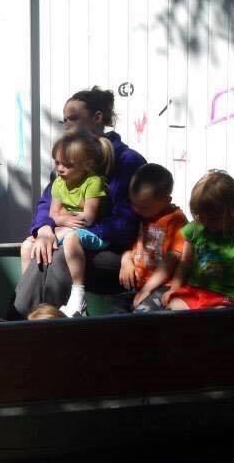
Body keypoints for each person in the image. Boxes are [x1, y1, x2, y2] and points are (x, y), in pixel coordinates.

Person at [13, 87, 146, 318]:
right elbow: (47, 203)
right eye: (64, 120)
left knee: (59, 255)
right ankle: (31, 319)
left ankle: (28, 322)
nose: (67, 125)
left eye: (73, 118)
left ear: (97, 118)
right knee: (40, 248)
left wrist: (74, 230)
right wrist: (45, 228)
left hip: (113, 253)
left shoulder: (127, 162)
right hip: (70, 241)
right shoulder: (67, 161)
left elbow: (127, 223)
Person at [22, 131, 113, 316]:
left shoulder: (93, 182)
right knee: (27, 245)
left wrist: (61, 218)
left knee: (71, 239)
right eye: (57, 163)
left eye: (68, 165)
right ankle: (26, 291)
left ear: (86, 165)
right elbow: (53, 214)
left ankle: (78, 294)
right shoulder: (58, 183)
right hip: (67, 228)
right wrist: (62, 218)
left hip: (94, 233)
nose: (60, 169)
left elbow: (87, 218)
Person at [161, 170, 234, 310]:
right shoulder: (196, 230)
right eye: (200, 216)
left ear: (233, 211)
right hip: (195, 293)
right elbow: (185, 264)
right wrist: (174, 289)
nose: (205, 222)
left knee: (217, 316)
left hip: (228, 298)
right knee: (173, 307)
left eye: (212, 218)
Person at [119, 163, 188, 312]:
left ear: (166, 201)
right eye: (133, 203)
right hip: (136, 283)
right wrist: (126, 260)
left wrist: (147, 289)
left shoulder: (176, 220)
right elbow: (131, 243)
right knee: (112, 315)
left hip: (162, 286)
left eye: (143, 206)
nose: (136, 210)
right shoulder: (142, 215)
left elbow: (172, 260)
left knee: (142, 314)